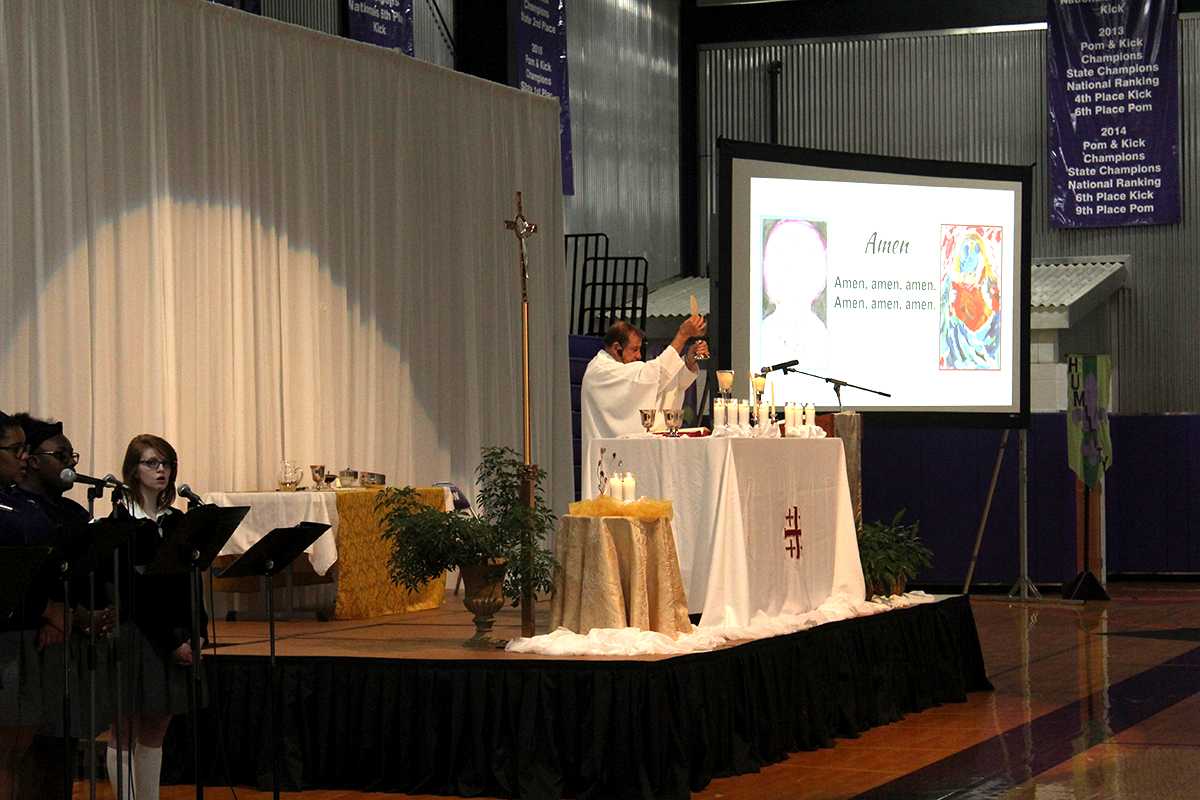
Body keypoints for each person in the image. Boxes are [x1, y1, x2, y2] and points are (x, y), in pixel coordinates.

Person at [106, 434, 203, 800]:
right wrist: (170, 642)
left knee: (158, 725)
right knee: (126, 726)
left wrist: (198, 632)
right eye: (152, 463)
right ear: (133, 470)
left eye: (166, 463)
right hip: (138, 635)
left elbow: (190, 582)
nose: (162, 470)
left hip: (176, 634)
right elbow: (134, 596)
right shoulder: (121, 522)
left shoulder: (177, 521)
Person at [0, 411, 68, 800]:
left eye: (26, 448)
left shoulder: (21, 503)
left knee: (18, 751)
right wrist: (46, 607)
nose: (24, 457)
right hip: (7, 636)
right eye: (15, 449)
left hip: (24, 635)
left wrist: (52, 607)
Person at [580, 316, 709, 481]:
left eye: (640, 349)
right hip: (610, 461)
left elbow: (661, 383)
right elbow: (650, 377)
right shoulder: (600, 371)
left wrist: (689, 362)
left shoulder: (623, 370)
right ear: (616, 347)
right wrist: (682, 335)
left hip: (634, 460)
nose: (639, 355)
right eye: (634, 349)